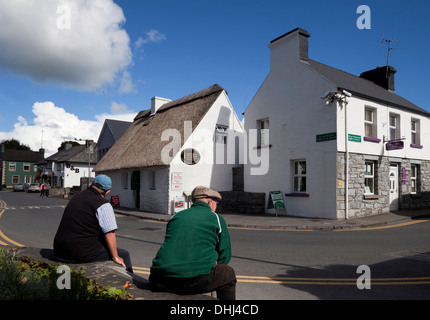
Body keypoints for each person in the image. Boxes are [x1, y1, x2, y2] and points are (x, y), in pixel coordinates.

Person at [149, 186, 236, 300]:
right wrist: (212, 265)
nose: (216, 205)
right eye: (216, 202)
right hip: (190, 281)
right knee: (228, 274)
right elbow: (224, 256)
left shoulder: (176, 216)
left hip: (160, 277)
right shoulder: (216, 218)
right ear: (210, 202)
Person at [53, 174, 133, 272]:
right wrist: (115, 257)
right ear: (108, 191)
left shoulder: (77, 197)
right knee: (124, 254)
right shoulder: (103, 204)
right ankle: (129, 285)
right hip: (79, 253)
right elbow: (110, 233)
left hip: (59, 250)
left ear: (91, 184)